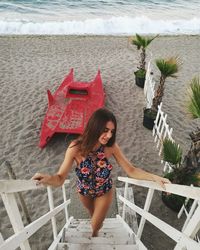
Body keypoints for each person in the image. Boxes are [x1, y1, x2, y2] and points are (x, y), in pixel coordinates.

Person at [32, 108, 170, 237]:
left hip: (104, 191)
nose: (109, 135)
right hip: (84, 192)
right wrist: (47, 178)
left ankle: (94, 235)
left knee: (95, 223)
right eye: (105, 130)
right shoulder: (75, 148)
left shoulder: (111, 147)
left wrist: (154, 177)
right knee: (92, 213)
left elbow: (131, 170)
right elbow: (60, 178)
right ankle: (95, 225)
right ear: (95, 127)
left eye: (112, 131)